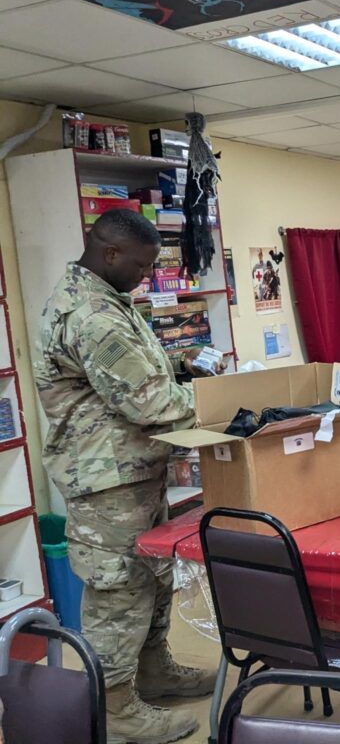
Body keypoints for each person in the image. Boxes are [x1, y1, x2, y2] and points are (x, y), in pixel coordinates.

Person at [34, 209, 219, 744]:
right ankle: (115, 706)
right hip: (106, 482)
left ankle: (155, 673)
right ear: (109, 252)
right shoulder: (89, 314)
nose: (146, 275)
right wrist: (225, 404)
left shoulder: (110, 300)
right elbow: (150, 401)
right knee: (119, 592)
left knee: (151, 578)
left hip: (132, 473)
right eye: (141, 266)